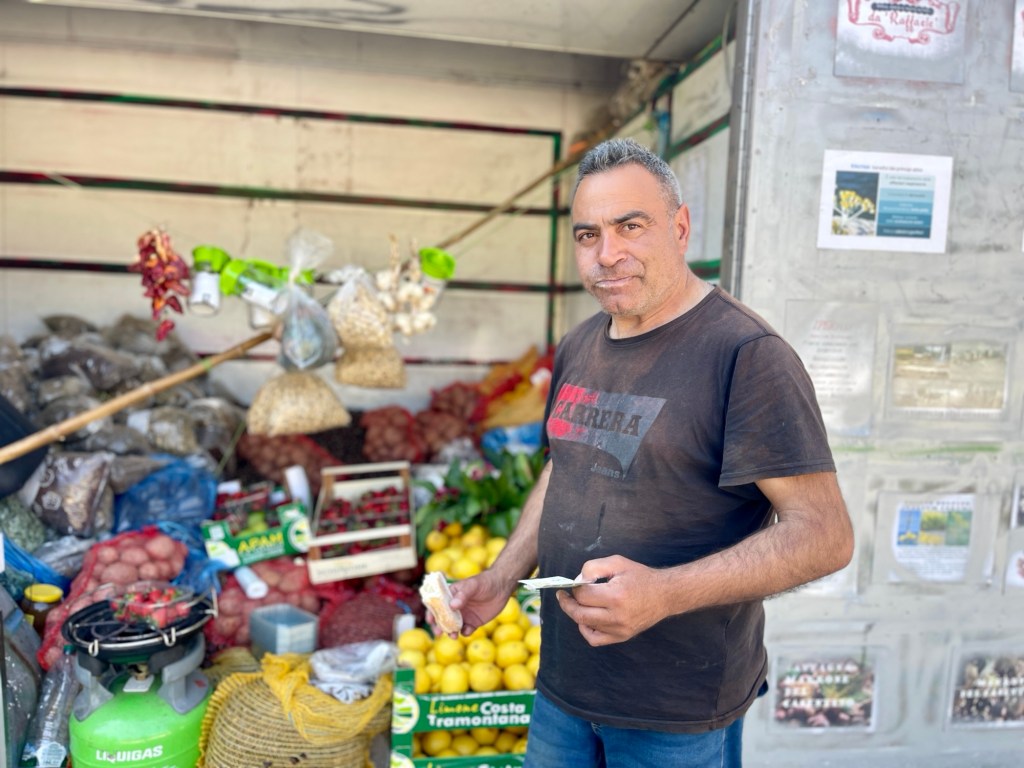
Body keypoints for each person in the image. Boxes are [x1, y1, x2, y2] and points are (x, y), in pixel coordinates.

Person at [445, 137, 854, 767]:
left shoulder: (746, 355)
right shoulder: (580, 344)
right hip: (562, 689)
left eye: (630, 227)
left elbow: (825, 535)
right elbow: (566, 465)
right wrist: (503, 575)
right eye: (588, 235)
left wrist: (664, 592)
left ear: (680, 228)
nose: (607, 254)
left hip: (676, 714)